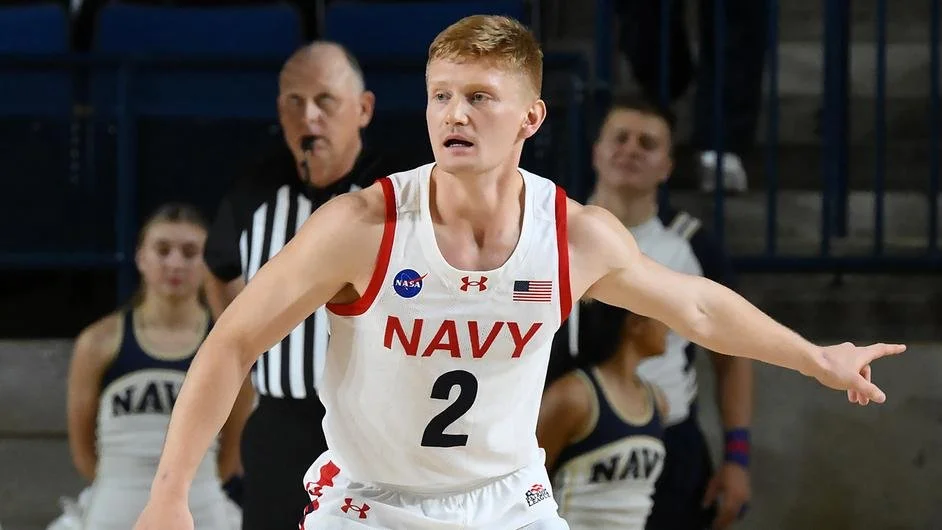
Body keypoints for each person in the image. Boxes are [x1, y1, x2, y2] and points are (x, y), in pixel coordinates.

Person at [133, 15, 904, 530]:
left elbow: (697, 309)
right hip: (373, 502)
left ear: (530, 118)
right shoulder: (362, 225)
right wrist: (169, 492)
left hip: (508, 501)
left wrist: (815, 356)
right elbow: (232, 341)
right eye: (441, 96)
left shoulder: (572, 234)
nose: (454, 115)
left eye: (479, 97)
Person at [201, 41, 388, 529]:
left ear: (363, 109)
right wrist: (246, 344)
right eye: (294, 101)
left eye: (325, 100)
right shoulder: (253, 194)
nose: (309, 117)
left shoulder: (393, 196)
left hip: (373, 427)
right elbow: (218, 268)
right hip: (279, 423)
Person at [560, 96, 753, 529]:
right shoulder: (547, 231)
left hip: (670, 442)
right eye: (620, 138)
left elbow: (733, 356)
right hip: (574, 435)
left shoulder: (693, 245)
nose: (630, 149)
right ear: (596, 151)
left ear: (667, 167)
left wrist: (737, 456)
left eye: (647, 143)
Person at [65, 203, 243, 530]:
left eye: (190, 253)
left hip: (200, 506)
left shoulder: (227, 343)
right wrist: (121, 484)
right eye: (162, 250)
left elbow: (233, 450)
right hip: (115, 504)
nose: (175, 263)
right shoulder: (98, 342)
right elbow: (82, 449)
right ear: (140, 258)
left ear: (207, 262)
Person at [538, 301, 670, 529]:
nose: (669, 327)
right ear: (635, 323)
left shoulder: (658, 402)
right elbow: (525, 478)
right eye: (661, 315)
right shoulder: (574, 395)